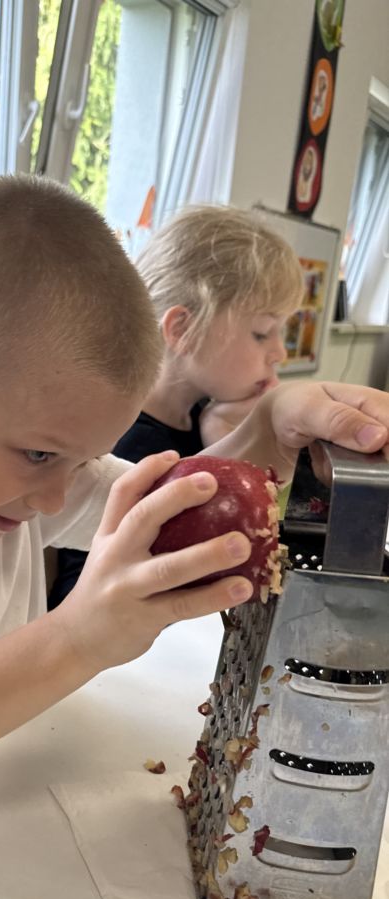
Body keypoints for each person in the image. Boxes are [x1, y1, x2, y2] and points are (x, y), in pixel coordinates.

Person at [0, 176, 389, 872]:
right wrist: (78, 637)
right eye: (40, 455)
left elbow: (175, 501)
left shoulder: (19, 481)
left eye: (80, 463)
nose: (56, 501)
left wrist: (270, 425)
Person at [49, 204, 304, 607]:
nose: (279, 353)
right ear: (182, 330)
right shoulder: (131, 442)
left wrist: (224, 431)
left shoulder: (200, 415)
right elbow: (83, 591)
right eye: (261, 333)